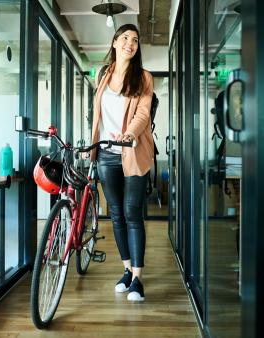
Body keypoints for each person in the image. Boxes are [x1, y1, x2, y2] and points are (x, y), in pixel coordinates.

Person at [90, 24, 154, 302]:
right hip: (106, 153)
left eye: (135, 40)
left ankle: (138, 279)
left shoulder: (143, 77)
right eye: (125, 38)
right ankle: (126, 270)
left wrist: (129, 133)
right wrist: (91, 144)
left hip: (133, 150)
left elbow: (143, 113)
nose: (130, 43)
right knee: (115, 214)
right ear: (115, 42)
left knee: (132, 213)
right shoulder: (103, 75)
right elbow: (97, 115)